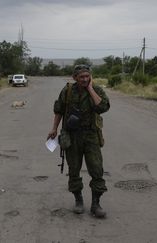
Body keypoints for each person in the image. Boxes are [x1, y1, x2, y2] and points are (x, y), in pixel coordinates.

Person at [47, 64, 110, 218]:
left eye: (87, 76)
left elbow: (103, 107)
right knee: (74, 170)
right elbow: (59, 110)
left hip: (91, 136)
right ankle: (78, 200)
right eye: (81, 77)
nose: (84, 79)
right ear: (75, 77)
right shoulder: (68, 91)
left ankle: (96, 204)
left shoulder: (96, 90)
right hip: (72, 136)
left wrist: (90, 89)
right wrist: (54, 128)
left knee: (96, 169)